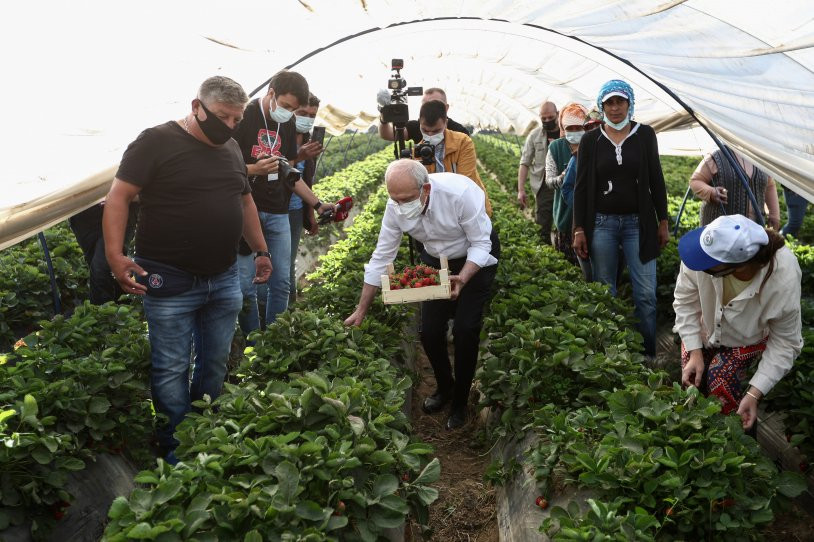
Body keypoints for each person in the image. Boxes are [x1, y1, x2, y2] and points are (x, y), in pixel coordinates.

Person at [103, 76, 272, 463]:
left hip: (224, 275)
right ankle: (175, 446)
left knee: (214, 361)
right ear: (197, 106)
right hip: (169, 277)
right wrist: (115, 255)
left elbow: (245, 203)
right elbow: (118, 197)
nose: (230, 126)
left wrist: (261, 250)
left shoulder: (230, 148)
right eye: (224, 117)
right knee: (170, 367)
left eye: (237, 119)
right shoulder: (155, 142)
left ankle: (204, 428)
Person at [344, 160, 499, 431]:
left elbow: (481, 242)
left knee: (465, 329)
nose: (401, 205)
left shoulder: (459, 194)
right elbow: (382, 257)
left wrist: (462, 277)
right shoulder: (395, 208)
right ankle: (445, 387)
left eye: (406, 199)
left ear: (425, 188)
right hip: (436, 257)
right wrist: (361, 309)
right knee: (428, 331)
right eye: (395, 199)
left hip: (474, 256)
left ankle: (461, 402)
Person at [674, 214, 802, 431]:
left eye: (707, 267)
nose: (697, 264)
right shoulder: (709, 249)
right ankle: (696, 437)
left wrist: (754, 393)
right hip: (705, 328)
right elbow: (685, 302)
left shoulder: (782, 276)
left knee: (721, 378)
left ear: (737, 268)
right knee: (693, 383)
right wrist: (694, 351)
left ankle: (735, 442)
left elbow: (785, 342)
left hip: (748, 337)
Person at [572, 80, 669, 358]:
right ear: (602, 107)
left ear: (630, 104)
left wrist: (662, 220)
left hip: (638, 224)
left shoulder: (645, 135)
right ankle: (610, 356)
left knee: (646, 295)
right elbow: (581, 186)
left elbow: (656, 179)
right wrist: (579, 227)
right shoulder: (591, 139)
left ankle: (648, 355)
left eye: (620, 102)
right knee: (605, 293)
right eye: (609, 103)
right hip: (602, 223)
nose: (615, 108)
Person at [232, 70, 334, 333]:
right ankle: (253, 344)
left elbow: (289, 173)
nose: (289, 113)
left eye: (294, 109)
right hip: (244, 211)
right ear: (271, 93)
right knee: (247, 285)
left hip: (277, 210)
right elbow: (218, 167)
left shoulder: (286, 123)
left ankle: (274, 339)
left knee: (281, 282)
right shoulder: (243, 117)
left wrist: (317, 204)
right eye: (286, 106)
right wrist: (254, 169)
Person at [413, 100, 492, 215]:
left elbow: (466, 183)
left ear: (446, 123)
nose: (430, 135)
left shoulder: (462, 142)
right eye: (425, 130)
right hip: (439, 213)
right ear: (420, 123)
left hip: (468, 207)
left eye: (436, 131)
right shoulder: (419, 152)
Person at [689, 148, 780, 229]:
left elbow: (770, 185)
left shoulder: (760, 159)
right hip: (719, 230)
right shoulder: (716, 156)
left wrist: (774, 214)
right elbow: (696, 181)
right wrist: (711, 192)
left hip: (754, 230)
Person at [545, 102, 589, 269]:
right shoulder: (556, 147)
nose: (574, 131)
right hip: (565, 217)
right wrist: (563, 177)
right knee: (567, 268)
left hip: (591, 220)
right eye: (569, 127)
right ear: (563, 126)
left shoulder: (593, 144)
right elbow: (549, 181)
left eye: (579, 127)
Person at [69, 200, 138, 304]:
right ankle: (123, 310)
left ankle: (101, 315)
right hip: (82, 211)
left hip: (119, 202)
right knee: (103, 270)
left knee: (101, 267)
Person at [288, 93, 322, 304]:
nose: (307, 118)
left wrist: (310, 213)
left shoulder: (310, 141)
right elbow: (279, 171)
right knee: (278, 266)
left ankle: (287, 311)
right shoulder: (280, 138)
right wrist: (298, 156)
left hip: (295, 210)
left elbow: (306, 180)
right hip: (276, 209)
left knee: (288, 263)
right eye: (303, 113)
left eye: (312, 115)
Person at [518, 101, 560, 244]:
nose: (547, 121)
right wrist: (521, 189)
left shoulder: (567, 132)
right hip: (544, 185)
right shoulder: (534, 135)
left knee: (566, 223)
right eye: (544, 118)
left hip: (566, 183)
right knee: (543, 223)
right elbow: (524, 163)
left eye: (550, 117)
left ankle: (567, 255)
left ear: (557, 114)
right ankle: (546, 253)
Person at [378, 87, 470, 145]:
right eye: (425, 105)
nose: (430, 109)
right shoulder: (416, 126)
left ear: (446, 108)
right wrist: (384, 115)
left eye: (436, 104)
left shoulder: (460, 132)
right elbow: (389, 135)